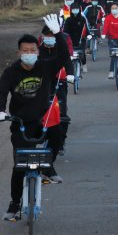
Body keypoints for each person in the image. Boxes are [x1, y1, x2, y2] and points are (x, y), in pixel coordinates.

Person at [0, 15, 73, 221]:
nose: (29, 54)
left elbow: (64, 56)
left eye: (32, 50)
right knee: (19, 165)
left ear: (38, 51)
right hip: (21, 123)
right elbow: (2, 91)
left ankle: (48, 166)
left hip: (43, 120)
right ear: (19, 52)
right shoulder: (11, 72)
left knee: (57, 135)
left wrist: (58, 34)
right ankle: (15, 203)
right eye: (25, 51)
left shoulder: (45, 66)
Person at [39, 25, 74, 154]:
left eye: (52, 35)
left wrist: (70, 74)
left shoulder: (61, 50)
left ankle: (60, 142)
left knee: (62, 113)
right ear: (43, 37)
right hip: (41, 85)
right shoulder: (37, 51)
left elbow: (67, 61)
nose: (49, 38)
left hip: (59, 82)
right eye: (47, 35)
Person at [63, 3, 91, 73]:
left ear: (79, 10)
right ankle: (69, 67)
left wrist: (88, 35)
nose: (75, 10)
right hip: (70, 40)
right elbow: (65, 31)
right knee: (69, 54)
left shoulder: (82, 19)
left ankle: (84, 65)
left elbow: (86, 29)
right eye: (73, 9)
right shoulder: (68, 20)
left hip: (81, 40)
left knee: (82, 53)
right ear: (71, 10)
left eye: (77, 9)